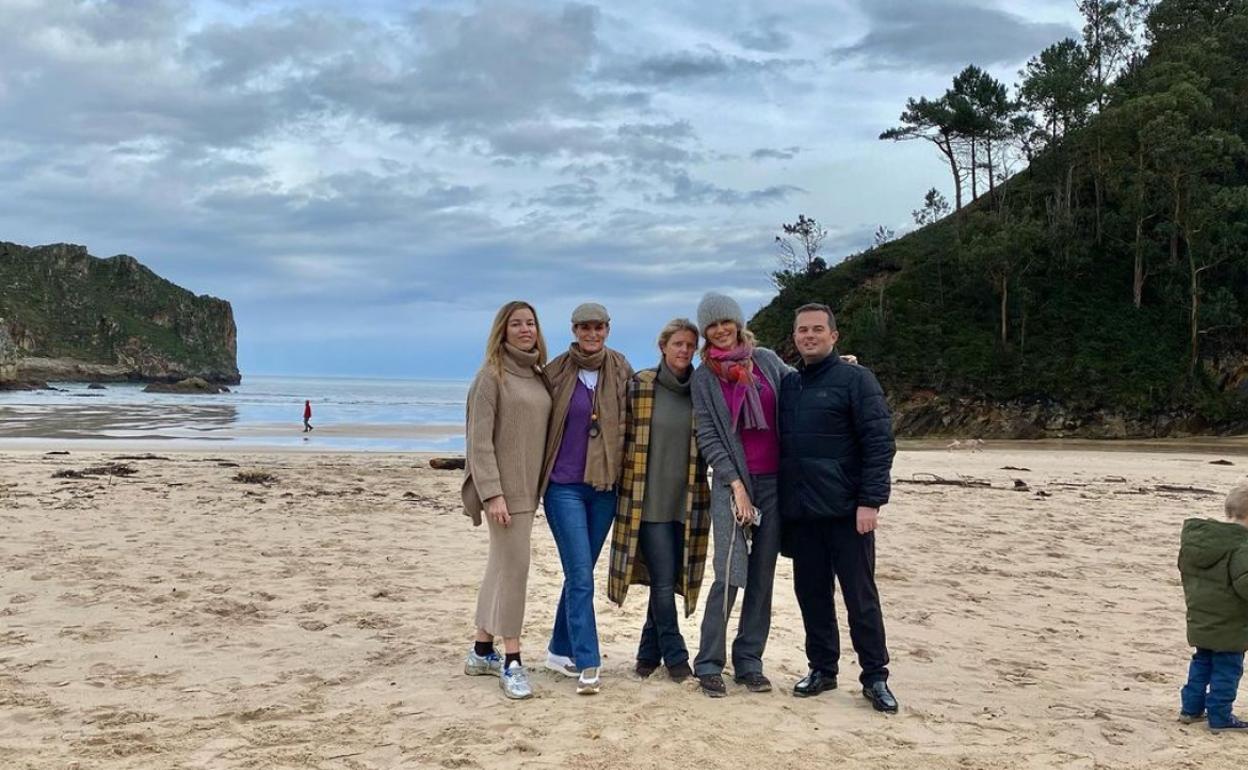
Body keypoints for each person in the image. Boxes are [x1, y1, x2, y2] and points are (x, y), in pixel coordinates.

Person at [778, 303, 898, 713]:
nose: (809, 336)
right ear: (794, 338)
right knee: (811, 595)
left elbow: (879, 444)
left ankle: (875, 676)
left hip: (849, 513)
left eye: (817, 330)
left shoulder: (856, 380)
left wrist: (870, 501)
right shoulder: (790, 385)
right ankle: (822, 669)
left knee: (860, 597)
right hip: (803, 514)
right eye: (802, 331)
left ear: (834, 335)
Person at [690, 292, 791, 698]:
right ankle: (709, 663)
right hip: (732, 484)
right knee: (729, 574)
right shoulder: (704, 377)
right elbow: (710, 437)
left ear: (737, 322)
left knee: (763, 577)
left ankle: (749, 660)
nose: (720, 330)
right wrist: (736, 487)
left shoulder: (765, 360)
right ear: (705, 332)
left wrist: (843, 368)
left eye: (725, 321)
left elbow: (798, 386)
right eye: (711, 325)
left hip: (774, 481)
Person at [607, 318, 710, 683]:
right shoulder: (641, 385)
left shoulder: (702, 389)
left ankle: (647, 653)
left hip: (688, 502)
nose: (684, 351)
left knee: (667, 579)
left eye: (690, 346)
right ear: (663, 347)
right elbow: (614, 426)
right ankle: (677, 656)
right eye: (678, 344)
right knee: (664, 581)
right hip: (646, 503)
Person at [460, 301, 552, 700]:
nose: (525, 329)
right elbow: (478, 441)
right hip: (505, 494)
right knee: (515, 571)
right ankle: (512, 660)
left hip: (530, 492)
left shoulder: (536, 374)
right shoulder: (490, 377)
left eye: (530, 323)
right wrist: (492, 493)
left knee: (500, 567)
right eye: (516, 323)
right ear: (503, 329)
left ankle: (482, 650)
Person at [539, 302, 632, 695]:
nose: (591, 334)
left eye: (598, 327)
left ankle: (559, 649)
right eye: (584, 327)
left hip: (604, 488)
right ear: (574, 330)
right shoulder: (555, 371)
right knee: (580, 576)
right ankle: (588, 661)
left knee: (581, 574)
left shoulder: (622, 369)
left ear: (608, 329)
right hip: (563, 488)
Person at [1177, 482, 1248, 732]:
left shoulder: (1201, 541)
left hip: (1201, 617)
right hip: (1230, 624)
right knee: (1227, 670)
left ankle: (1190, 709)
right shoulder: (1242, 546)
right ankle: (1220, 715)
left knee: (1202, 662)